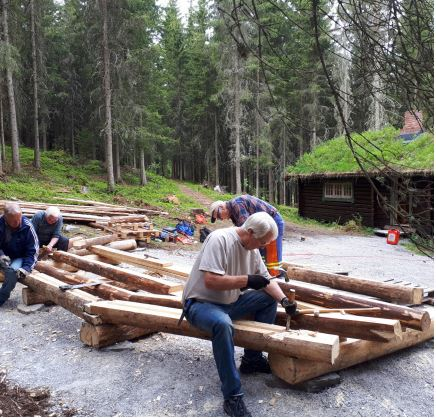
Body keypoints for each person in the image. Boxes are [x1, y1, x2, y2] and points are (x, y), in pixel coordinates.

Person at [181, 212, 297, 417]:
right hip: (200, 304)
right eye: (262, 242)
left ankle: (252, 360)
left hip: (229, 303)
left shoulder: (251, 249)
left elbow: (266, 280)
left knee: (268, 298)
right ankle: (232, 396)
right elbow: (211, 281)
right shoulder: (219, 239)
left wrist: (284, 301)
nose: (263, 246)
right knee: (223, 324)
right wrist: (246, 280)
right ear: (250, 232)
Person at [209, 195, 284, 277]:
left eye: (219, 216)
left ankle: (276, 279)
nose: (222, 219)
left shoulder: (236, 205)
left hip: (273, 222)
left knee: (272, 257)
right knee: (261, 252)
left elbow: (246, 228)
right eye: (219, 219)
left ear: (222, 207)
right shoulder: (233, 213)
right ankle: (263, 276)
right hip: (262, 227)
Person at [0, 202, 39, 306]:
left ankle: (1, 297)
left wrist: (26, 268)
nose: (17, 222)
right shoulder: (0, 223)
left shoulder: (27, 226)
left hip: (18, 257)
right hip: (3, 255)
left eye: (19, 219)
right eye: (13, 221)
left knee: (12, 272)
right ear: (5, 218)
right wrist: (1, 255)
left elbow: (33, 251)